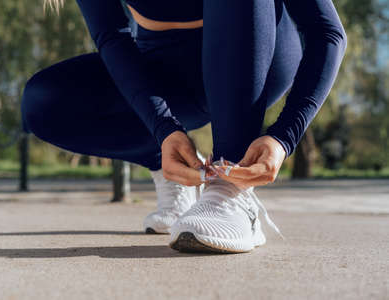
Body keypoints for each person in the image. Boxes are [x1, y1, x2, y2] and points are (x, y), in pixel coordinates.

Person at [20, 0, 347, 253]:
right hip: (168, 78)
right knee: (45, 104)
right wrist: (163, 129)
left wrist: (284, 136)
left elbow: (327, 32)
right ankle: (174, 171)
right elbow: (112, 37)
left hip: (260, 59)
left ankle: (229, 189)